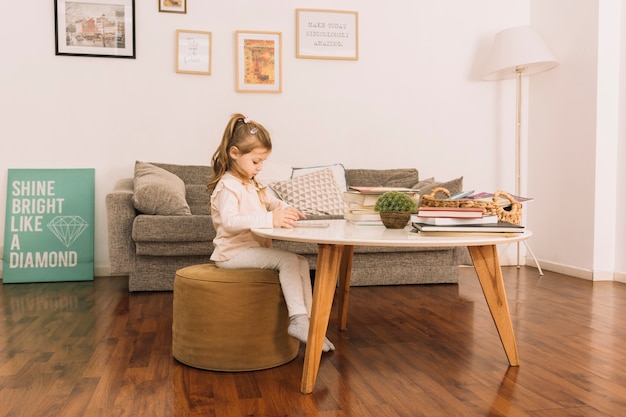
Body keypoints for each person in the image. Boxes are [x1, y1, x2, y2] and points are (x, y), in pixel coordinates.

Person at [207, 113, 335, 352]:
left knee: (300, 261)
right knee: (287, 261)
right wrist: (270, 219)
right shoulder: (228, 185)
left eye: (263, 162)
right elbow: (229, 222)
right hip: (232, 254)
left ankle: (311, 325)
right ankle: (297, 320)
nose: (260, 167)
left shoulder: (252, 182)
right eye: (256, 161)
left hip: (251, 250)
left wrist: (283, 208)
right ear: (234, 153)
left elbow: (271, 202)